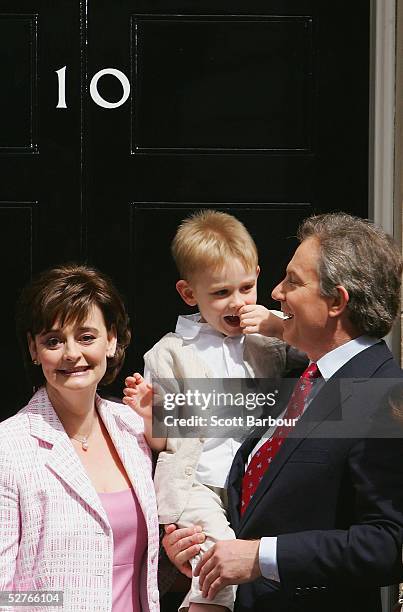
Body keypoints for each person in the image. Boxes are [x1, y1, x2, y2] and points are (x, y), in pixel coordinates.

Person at [162, 212, 403, 612]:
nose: (274, 292)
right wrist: (195, 545)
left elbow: (389, 543)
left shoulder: (384, 394)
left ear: (336, 302)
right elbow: (251, 501)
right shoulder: (295, 374)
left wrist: (260, 557)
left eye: (293, 281)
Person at [123, 210, 305, 612]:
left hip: (254, 485)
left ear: (258, 274)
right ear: (190, 294)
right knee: (219, 568)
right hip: (196, 484)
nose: (238, 303)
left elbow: (319, 353)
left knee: (262, 577)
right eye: (221, 293)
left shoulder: (267, 335)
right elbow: (163, 441)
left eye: (246, 287)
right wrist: (149, 412)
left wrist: (276, 328)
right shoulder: (170, 353)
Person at [0, 264, 160, 612]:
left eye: (86, 336)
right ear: (33, 349)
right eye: (53, 341)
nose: (71, 353)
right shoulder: (8, 448)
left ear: (112, 340)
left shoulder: (134, 428)